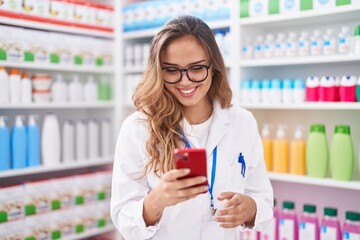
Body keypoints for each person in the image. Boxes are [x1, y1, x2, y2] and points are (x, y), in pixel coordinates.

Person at [111, 15, 273, 240]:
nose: (185, 81)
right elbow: (122, 216)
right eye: (172, 70)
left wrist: (250, 209)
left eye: (196, 68)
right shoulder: (138, 128)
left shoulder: (242, 122)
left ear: (214, 67)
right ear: (159, 71)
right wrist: (156, 201)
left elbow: (263, 200)